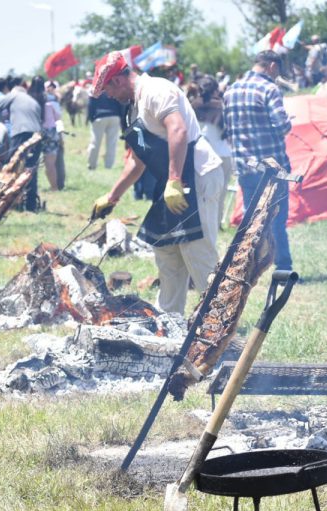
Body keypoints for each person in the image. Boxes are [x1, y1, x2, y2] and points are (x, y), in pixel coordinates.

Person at [90, 52, 224, 314]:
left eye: (108, 89)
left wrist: (174, 180)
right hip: (171, 183)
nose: (109, 96)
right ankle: (170, 319)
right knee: (167, 252)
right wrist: (112, 196)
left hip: (195, 175)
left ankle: (221, 321)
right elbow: (137, 160)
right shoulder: (133, 107)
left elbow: (178, 129)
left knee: (198, 255)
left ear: (117, 80)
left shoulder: (156, 90)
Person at [224, 50, 293, 271]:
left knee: (250, 220)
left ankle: (246, 267)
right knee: (276, 220)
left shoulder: (231, 90)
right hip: (272, 167)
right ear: (272, 66)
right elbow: (282, 126)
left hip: (245, 165)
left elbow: (228, 129)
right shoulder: (269, 89)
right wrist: (288, 121)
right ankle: (283, 267)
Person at [0, 75, 44, 211]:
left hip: (21, 133)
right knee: (30, 169)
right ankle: (30, 205)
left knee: (9, 166)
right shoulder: (32, 100)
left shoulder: (13, 95)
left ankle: (1, 202)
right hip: (37, 135)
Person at [191, 75, 233, 228]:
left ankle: (199, 223)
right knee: (220, 193)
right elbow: (228, 131)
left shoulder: (192, 105)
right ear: (216, 90)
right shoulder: (221, 106)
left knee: (199, 192)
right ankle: (215, 224)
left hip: (199, 155)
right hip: (222, 154)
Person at [86, 92, 122, 170]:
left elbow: (90, 104)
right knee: (112, 143)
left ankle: (91, 164)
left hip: (99, 116)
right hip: (115, 116)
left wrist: (91, 118)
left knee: (95, 142)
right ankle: (109, 165)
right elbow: (120, 103)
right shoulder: (114, 88)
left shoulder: (96, 90)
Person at [41, 80, 62, 191]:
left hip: (40, 131)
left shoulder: (39, 101)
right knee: (50, 162)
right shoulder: (54, 102)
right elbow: (58, 117)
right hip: (51, 131)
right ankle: (54, 187)